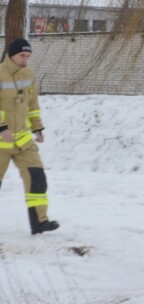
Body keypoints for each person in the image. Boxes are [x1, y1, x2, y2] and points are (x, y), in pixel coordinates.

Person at [0, 38, 59, 235]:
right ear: (11, 55)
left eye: (28, 56)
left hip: (23, 140)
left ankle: (39, 222)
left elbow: (32, 104)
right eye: (22, 56)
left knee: (37, 177)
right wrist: (2, 128)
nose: (25, 60)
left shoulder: (29, 74)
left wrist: (37, 128)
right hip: (1, 140)